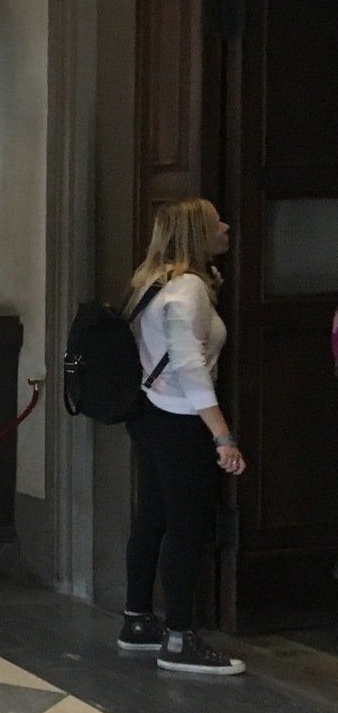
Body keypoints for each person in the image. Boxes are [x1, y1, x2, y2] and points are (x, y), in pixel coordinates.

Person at [121, 198, 247, 676]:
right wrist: (222, 435)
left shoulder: (151, 280)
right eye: (218, 221)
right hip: (179, 418)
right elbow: (190, 365)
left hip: (150, 414)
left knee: (152, 516)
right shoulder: (189, 287)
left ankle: (137, 620)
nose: (227, 226)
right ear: (199, 233)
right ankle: (178, 638)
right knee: (186, 526)